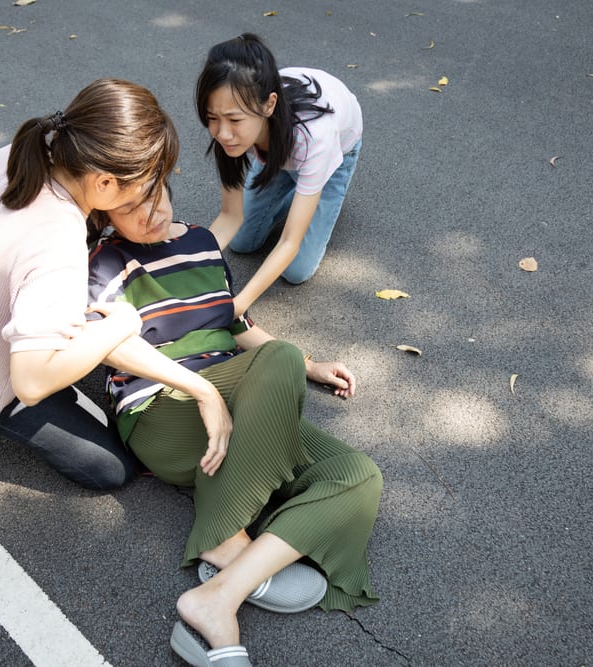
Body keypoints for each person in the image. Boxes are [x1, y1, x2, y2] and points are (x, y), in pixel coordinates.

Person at [87, 184, 382, 666]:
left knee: (357, 474)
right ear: (102, 213)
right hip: (162, 409)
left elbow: (235, 322)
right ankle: (227, 532)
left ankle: (221, 593)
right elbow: (107, 345)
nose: (151, 211)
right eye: (128, 207)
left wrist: (309, 364)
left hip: (234, 396)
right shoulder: (101, 261)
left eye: (155, 194)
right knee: (277, 359)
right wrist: (211, 388)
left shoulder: (201, 240)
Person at [0, 78, 179, 490]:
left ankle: (44, 334)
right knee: (111, 467)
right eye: (144, 182)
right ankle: (13, 386)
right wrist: (120, 325)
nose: (151, 193)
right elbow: (30, 384)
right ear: (103, 182)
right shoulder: (57, 241)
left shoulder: (18, 155)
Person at [195, 33, 363, 316]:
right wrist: (186, 266)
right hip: (274, 147)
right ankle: (302, 195)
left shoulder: (315, 138)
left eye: (235, 119)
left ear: (268, 105)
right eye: (213, 118)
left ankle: (312, 194)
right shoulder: (233, 129)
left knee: (297, 270)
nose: (222, 133)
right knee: (242, 242)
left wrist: (239, 305)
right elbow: (229, 217)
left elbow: (289, 243)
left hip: (331, 150)